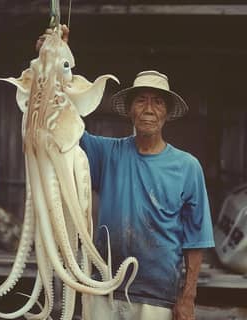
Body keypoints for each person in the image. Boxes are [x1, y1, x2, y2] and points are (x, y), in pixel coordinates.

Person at [36, 26, 215, 320]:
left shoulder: (187, 167)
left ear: (166, 113)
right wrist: (53, 61)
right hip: (102, 288)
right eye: (141, 100)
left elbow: (196, 239)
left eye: (157, 102)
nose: (149, 108)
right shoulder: (108, 153)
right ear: (130, 110)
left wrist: (188, 296)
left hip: (157, 297)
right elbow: (60, 124)